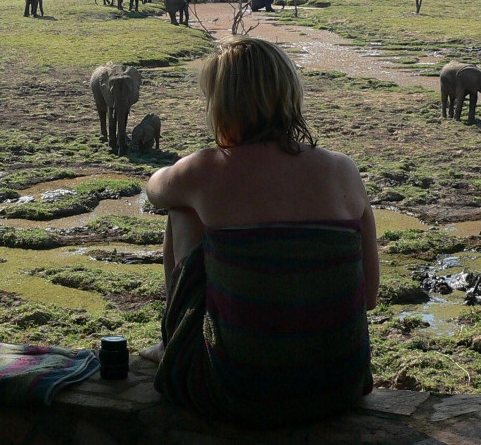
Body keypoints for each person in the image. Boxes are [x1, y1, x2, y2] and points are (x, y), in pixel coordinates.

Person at [141, 36, 379, 428]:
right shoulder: (344, 169)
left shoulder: (204, 170)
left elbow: (155, 190)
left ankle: (174, 340)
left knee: (180, 209)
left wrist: (192, 179)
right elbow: (368, 297)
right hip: (340, 384)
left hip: (238, 389)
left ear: (221, 104)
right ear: (290, 95)